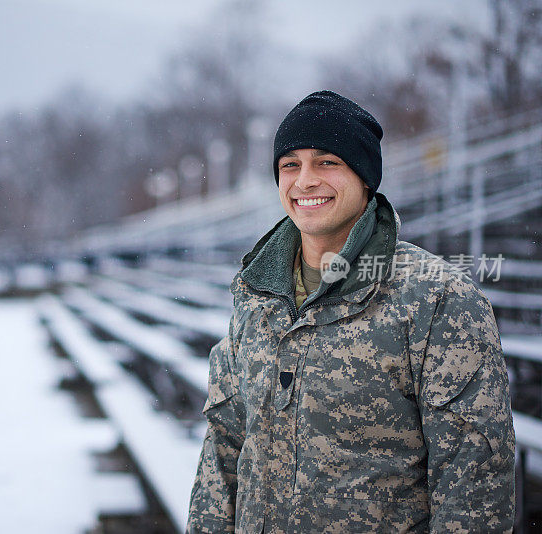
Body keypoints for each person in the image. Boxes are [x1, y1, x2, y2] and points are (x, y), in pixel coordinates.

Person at [186, 90, 515, 533]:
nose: (304, 181)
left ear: (364, 177)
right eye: (290, 165)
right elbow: (222, 451)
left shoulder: (435, 297)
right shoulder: (257, 294)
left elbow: (473, 486)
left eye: (327, 162)